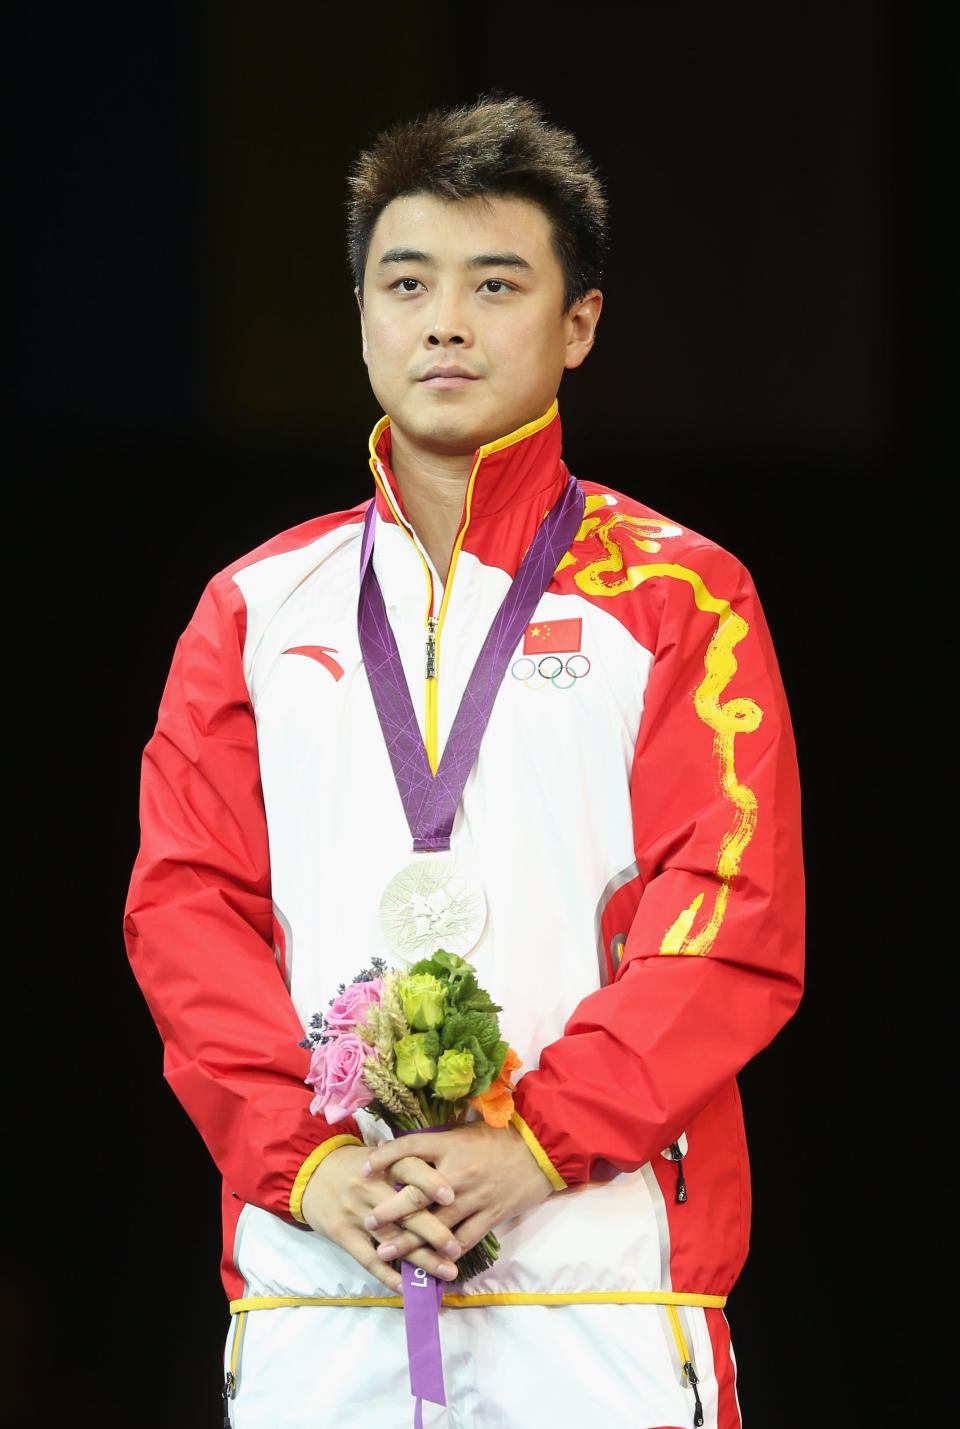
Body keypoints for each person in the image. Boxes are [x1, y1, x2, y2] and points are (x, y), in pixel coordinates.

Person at [125, 94, 804, 1429]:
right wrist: (304, 1167)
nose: (446, 320)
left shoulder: (682, 599)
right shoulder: (255, 610)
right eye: (408, 281)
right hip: (322, 1287)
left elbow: (730, 922)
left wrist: (539, 1142)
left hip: (599, 1290)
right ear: (364, 315)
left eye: (497, 284)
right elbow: (185, 913)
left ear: (580, 323)